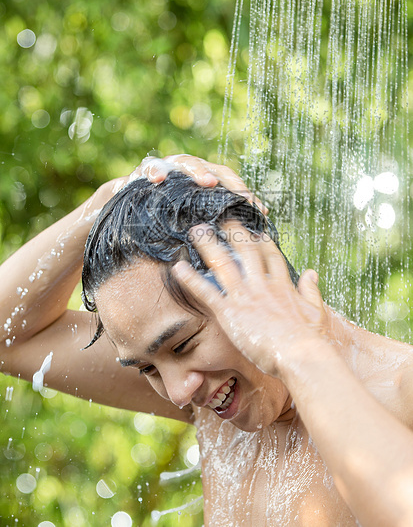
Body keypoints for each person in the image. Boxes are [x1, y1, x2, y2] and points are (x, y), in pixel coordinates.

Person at [1, 154, 413, 527]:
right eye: (148, 368)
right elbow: (8, 337)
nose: (179, 393)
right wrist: (109, 203)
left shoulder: (400, 391)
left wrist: (298, 351)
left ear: (256, 278)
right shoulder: (214, 403)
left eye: (183, 345)